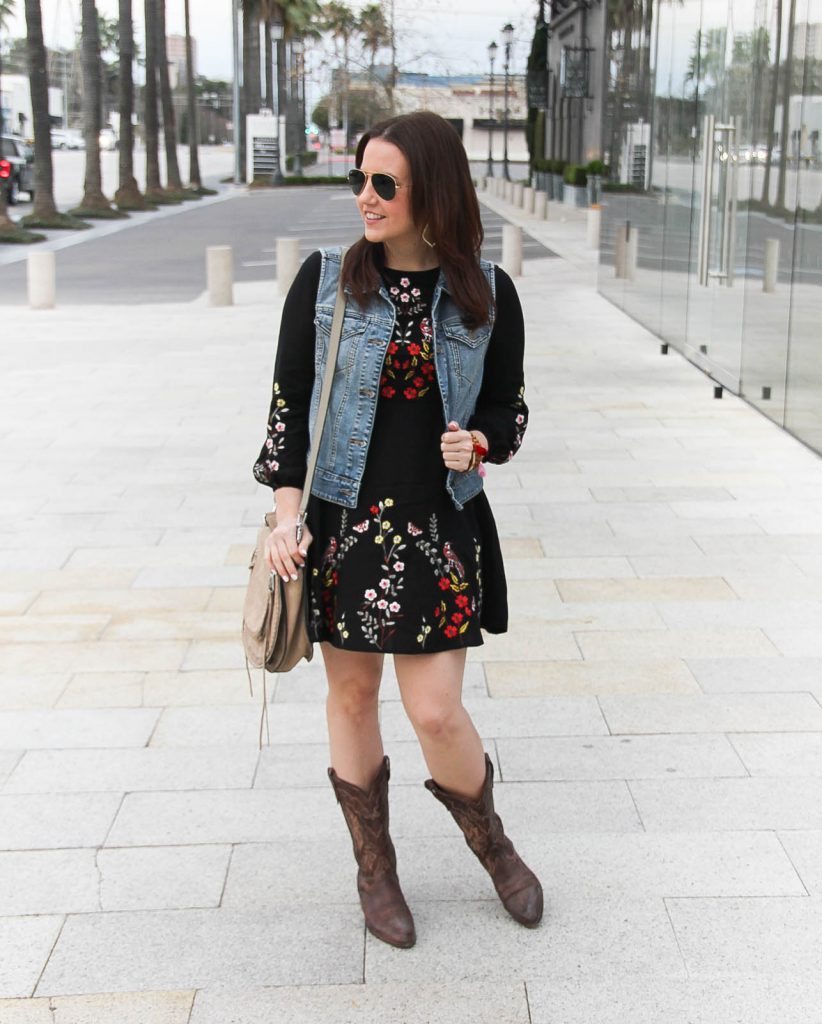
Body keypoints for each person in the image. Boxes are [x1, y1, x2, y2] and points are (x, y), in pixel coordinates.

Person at [252, 111, 542, 948]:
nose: (365, 198)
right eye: (359, 181)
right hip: (344, 522)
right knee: (351, 693)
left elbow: (508, 407)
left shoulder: (486, 292)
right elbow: (287, 409)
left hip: (437, 525)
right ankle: (374, 871)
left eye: (384, 184)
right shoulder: (323, 283)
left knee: (438, 712)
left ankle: (492, 844)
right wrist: (284, 517)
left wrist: (480, 439)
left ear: (432, 192)